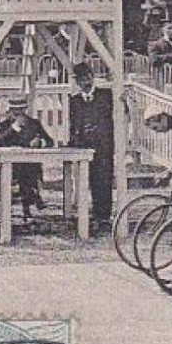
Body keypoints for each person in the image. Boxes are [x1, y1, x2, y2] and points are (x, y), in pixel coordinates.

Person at [68, 62, 115, 225]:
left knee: (103, 179)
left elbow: (115, 118)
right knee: (85, 179)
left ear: (91, 77)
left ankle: (103, 215)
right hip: (84, 146)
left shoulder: (106, 95)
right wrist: (75, 139)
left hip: (103, 146)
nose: (84, 82)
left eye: (86, 77)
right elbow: (73, 124)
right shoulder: (74, 101)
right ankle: (88, 214)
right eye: (80, 79)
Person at [0, 95, 54, 221]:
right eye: (15, 112)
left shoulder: (34, 123)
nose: (19, 115)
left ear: (25, 110)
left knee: (28, 171)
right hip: (11, 164)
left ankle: (29, 204)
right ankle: (32, 199)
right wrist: (14, 128)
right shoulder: (4, 125)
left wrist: (40, 141)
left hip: (30, 163)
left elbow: (50, 141)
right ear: (10, 112)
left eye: (21, 111)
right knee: (22, 172)